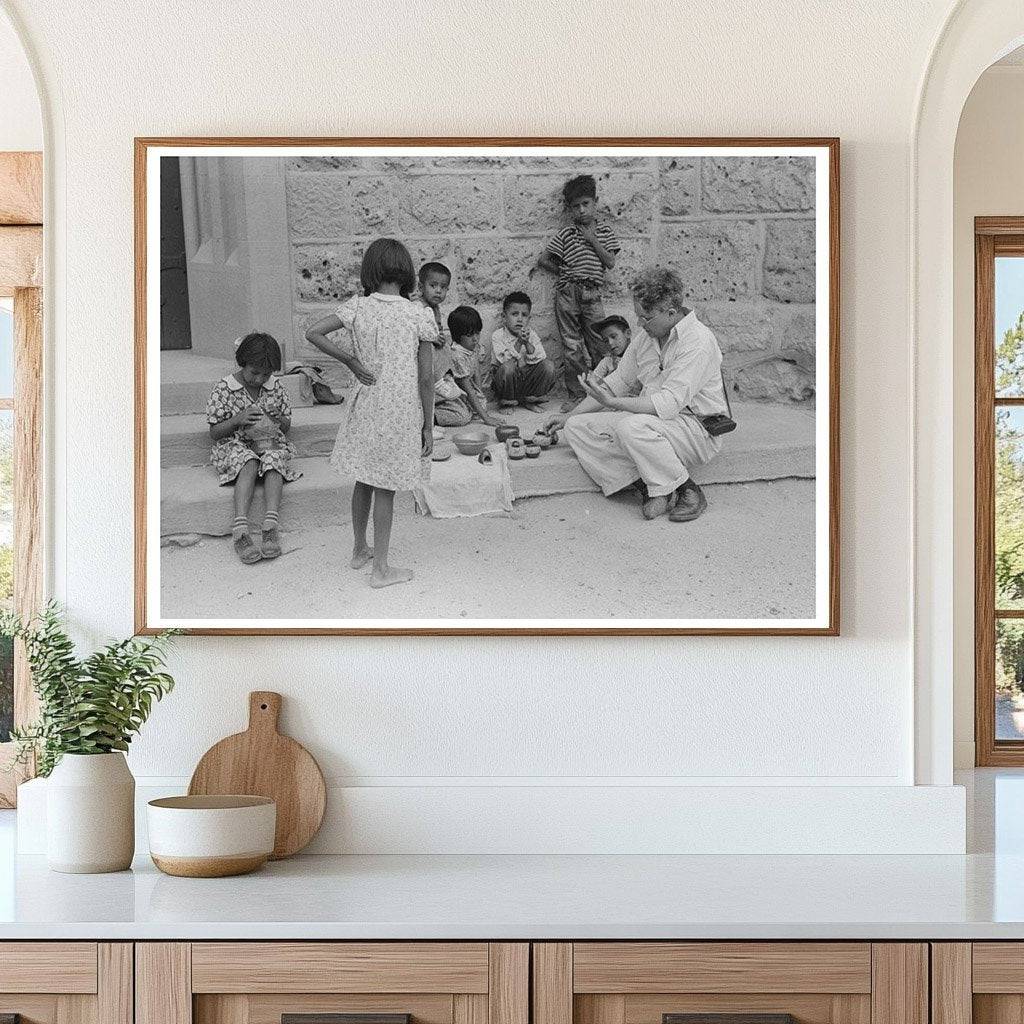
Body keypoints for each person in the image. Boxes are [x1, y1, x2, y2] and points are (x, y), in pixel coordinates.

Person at [543, 267, 728, 523]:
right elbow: (616, 382)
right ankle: (648, 485)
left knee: (631, 426)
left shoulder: (698, 341)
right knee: (576, 428)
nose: (640, 324)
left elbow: (668, 403)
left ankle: (688, 489)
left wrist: (613, 404)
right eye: (638, 316)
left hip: (696, 429)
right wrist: (569, 416)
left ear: (671, 313)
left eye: (647, 317)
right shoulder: (646, 338)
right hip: (656, 424)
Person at [305, 238, 436, 588]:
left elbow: (313, 332)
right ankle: (381, 569)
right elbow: (426, 378)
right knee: (386, 486)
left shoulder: (358, 307)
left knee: (364, 477)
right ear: (406, 272)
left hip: (367, 401)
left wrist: (351, 360)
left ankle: (359, 549)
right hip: (400, 408)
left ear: (371, 270)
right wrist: (428, 424)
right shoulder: (419, 314)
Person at [206, 332, 300, 564]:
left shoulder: (275, 387)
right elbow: (215, 432)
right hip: (234, 444)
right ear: (242, 363)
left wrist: (279, 419)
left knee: (274, 459)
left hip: (267, 442)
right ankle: (240, 530)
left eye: (266, 374)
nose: (259, 379)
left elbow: (285, 428)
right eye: (254, 373)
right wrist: (238, 418)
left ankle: (270, 525)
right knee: (248, 461)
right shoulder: (225, 388)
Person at [536, 174, 621, 410]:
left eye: (586, 204)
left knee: (599, 342)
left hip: (592, 293)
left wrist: (592, 240)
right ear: (570, 208)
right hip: (568, 293)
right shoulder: (566, 234)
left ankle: (604, 390)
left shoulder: (604, 232)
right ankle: (576, 394)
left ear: (595, 202)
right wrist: (564, 273)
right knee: (572, 345)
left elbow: (610, 262)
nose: (581, 210)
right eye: (576, 206)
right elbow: (544, 259)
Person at [490, 291, 556, 410]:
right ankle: (507, 403)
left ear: (529, 318)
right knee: (508, 368)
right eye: (515, 314)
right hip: (506, 384)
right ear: (504, 317)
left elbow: (541, 357)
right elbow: (504, 361)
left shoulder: (532, 335)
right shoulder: (498, 335)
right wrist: (519, 343)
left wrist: (527, 343)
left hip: (526, 381)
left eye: (524, 315)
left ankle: (531, 400)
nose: (520, 319)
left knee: (548, 366)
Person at [448, 305, 505, 427]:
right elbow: (467, 388)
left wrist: (480, 395)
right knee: (463, 417)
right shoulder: (458, 354)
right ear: (458, 336)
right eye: (469, 335)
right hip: (453, 394)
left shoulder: (471, 347)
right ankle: (434, 417)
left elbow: (476, 372)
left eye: (477, 333)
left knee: (482, 405)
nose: (475, 339)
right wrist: (486, 418)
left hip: (467, 392)